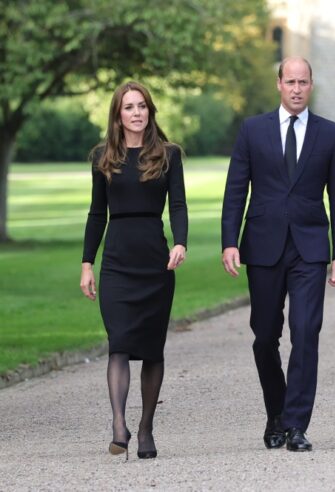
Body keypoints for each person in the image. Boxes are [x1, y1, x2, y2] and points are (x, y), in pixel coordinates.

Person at [221, 56, 335, 452]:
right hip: (262, 245)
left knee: (306, 332)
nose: (296, 89)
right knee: (264, 337)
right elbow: (235, 190)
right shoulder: (253, 130)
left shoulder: (330, 134)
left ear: (312, 85)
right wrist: (229, 241)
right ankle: (275, 412)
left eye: (303, 82)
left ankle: (296, 424)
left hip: (310, 248)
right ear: (278, 84)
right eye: (290, 81)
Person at [80, 81, 188, 460]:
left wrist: (180, 242)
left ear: (150, 111)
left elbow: (178, 205)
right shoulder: (102, 157)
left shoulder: (169, 155)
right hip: (117, 264)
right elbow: (96, 214)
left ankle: (145, 429)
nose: (136, 112)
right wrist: (86, 263)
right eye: (129, 107)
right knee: (119, 344)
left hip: (155, 262)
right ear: (118, 114)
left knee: (152, 350)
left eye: (142, 106)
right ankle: (118, 426)